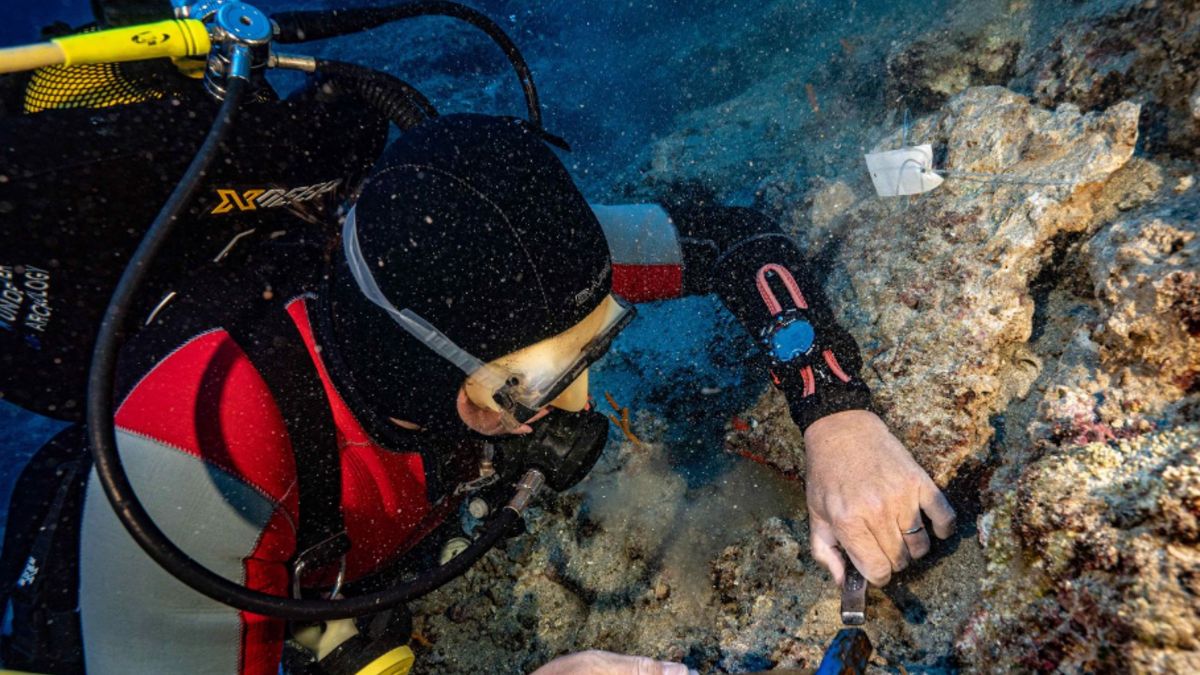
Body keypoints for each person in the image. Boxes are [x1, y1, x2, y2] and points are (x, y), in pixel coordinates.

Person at [0, 5, 956, 675]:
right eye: (534, 390)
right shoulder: (194, 465)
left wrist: (836, 414)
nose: (581, 407)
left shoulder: (524, 276)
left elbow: (735, 239)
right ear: (431, 370)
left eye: (598, 347)